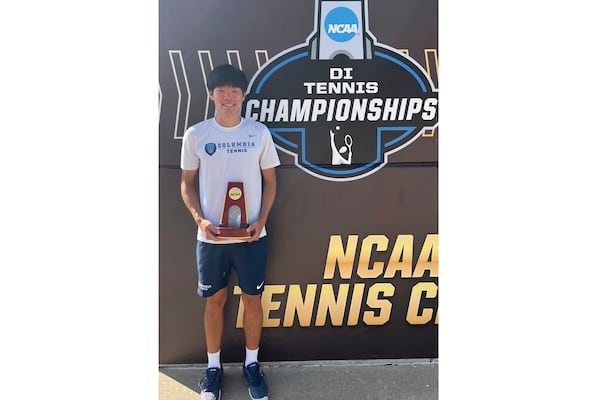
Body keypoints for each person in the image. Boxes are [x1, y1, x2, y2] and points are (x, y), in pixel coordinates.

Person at [180, 64, 280, 400]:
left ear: (243, 95)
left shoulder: (258, 133)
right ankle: (213, 369)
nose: (228, 97)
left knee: (252, 300)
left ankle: (252, 364)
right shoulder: (197, 135)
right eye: (221, 90)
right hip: (211, 240)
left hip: (252, 238)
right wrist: (199, 219)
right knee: (215, 302)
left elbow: (270, 181)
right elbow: (186, 184)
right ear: (211, 94)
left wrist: (262, 219)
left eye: (235, 91)